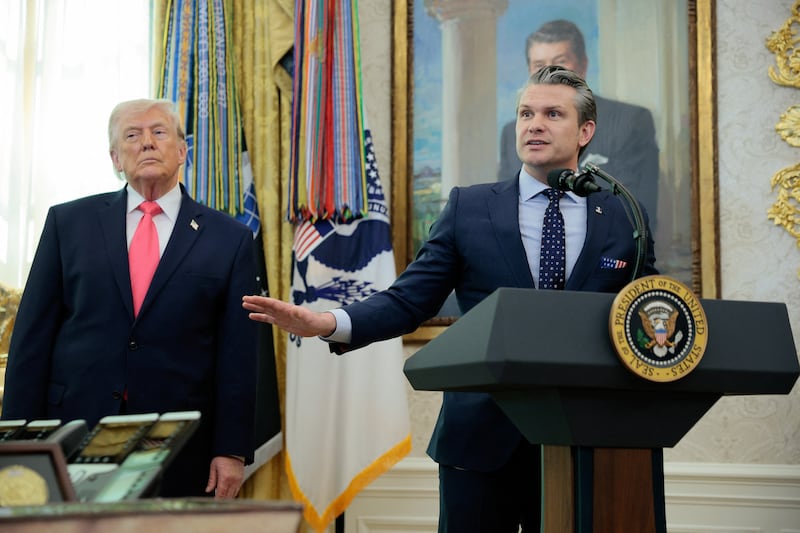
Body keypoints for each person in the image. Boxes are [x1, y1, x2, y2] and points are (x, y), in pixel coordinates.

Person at [243, 66, 657, 532]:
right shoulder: (471, 207)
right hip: (482, 442)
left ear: (585, 131)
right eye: (525, 113)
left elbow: (649, 307)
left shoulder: (623, 214)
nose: (533, 124)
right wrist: (329, 323)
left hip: (585, 440)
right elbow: (409, 299)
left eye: (552, 113)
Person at [1, 98, 258, 499]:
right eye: (132, 135)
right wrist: (16, 443)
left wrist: (231, 450)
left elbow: (238, 355)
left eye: (159, 132)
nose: (147, 144)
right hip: (72, 432)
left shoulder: (230, 239)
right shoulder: (66, 224)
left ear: (182, 150)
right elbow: (31, 341)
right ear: (115, 157)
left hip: (181, 440)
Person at [498, 19, 660, 226]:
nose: (551, 74)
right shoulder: (512, 132)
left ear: (583, 65)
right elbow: (504, 215)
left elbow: (637, 217)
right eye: (539, 66)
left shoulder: (629, 122)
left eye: (560, 62)